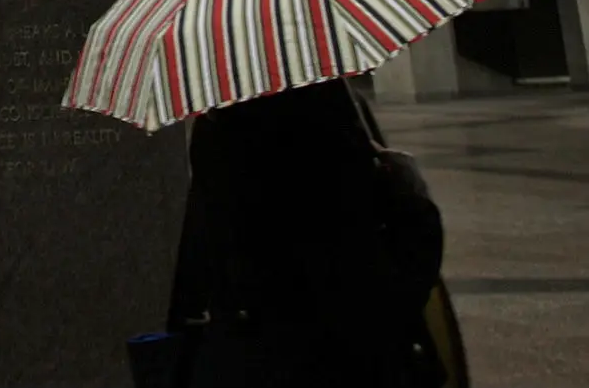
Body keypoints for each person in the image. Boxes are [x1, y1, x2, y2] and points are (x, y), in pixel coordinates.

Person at [162, 78, 451, 388]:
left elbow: (201, 251)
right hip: (351, 352)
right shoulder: (329, 110)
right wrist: (409, 188)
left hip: (256, 350)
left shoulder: (217, 127)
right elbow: (405, 261)